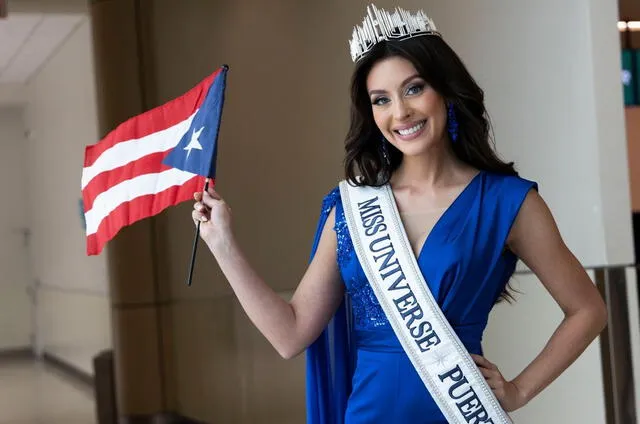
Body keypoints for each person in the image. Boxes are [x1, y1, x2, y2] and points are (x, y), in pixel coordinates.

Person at [192, 4, 608, 423]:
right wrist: (222, 243)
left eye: (414, 89)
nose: (400, 113)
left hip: (459, 411)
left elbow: (588, 309)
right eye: (381, 100)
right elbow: (290, 334)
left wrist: (518, 391)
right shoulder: (352, 209)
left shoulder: (506, 203)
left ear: (445, 90)